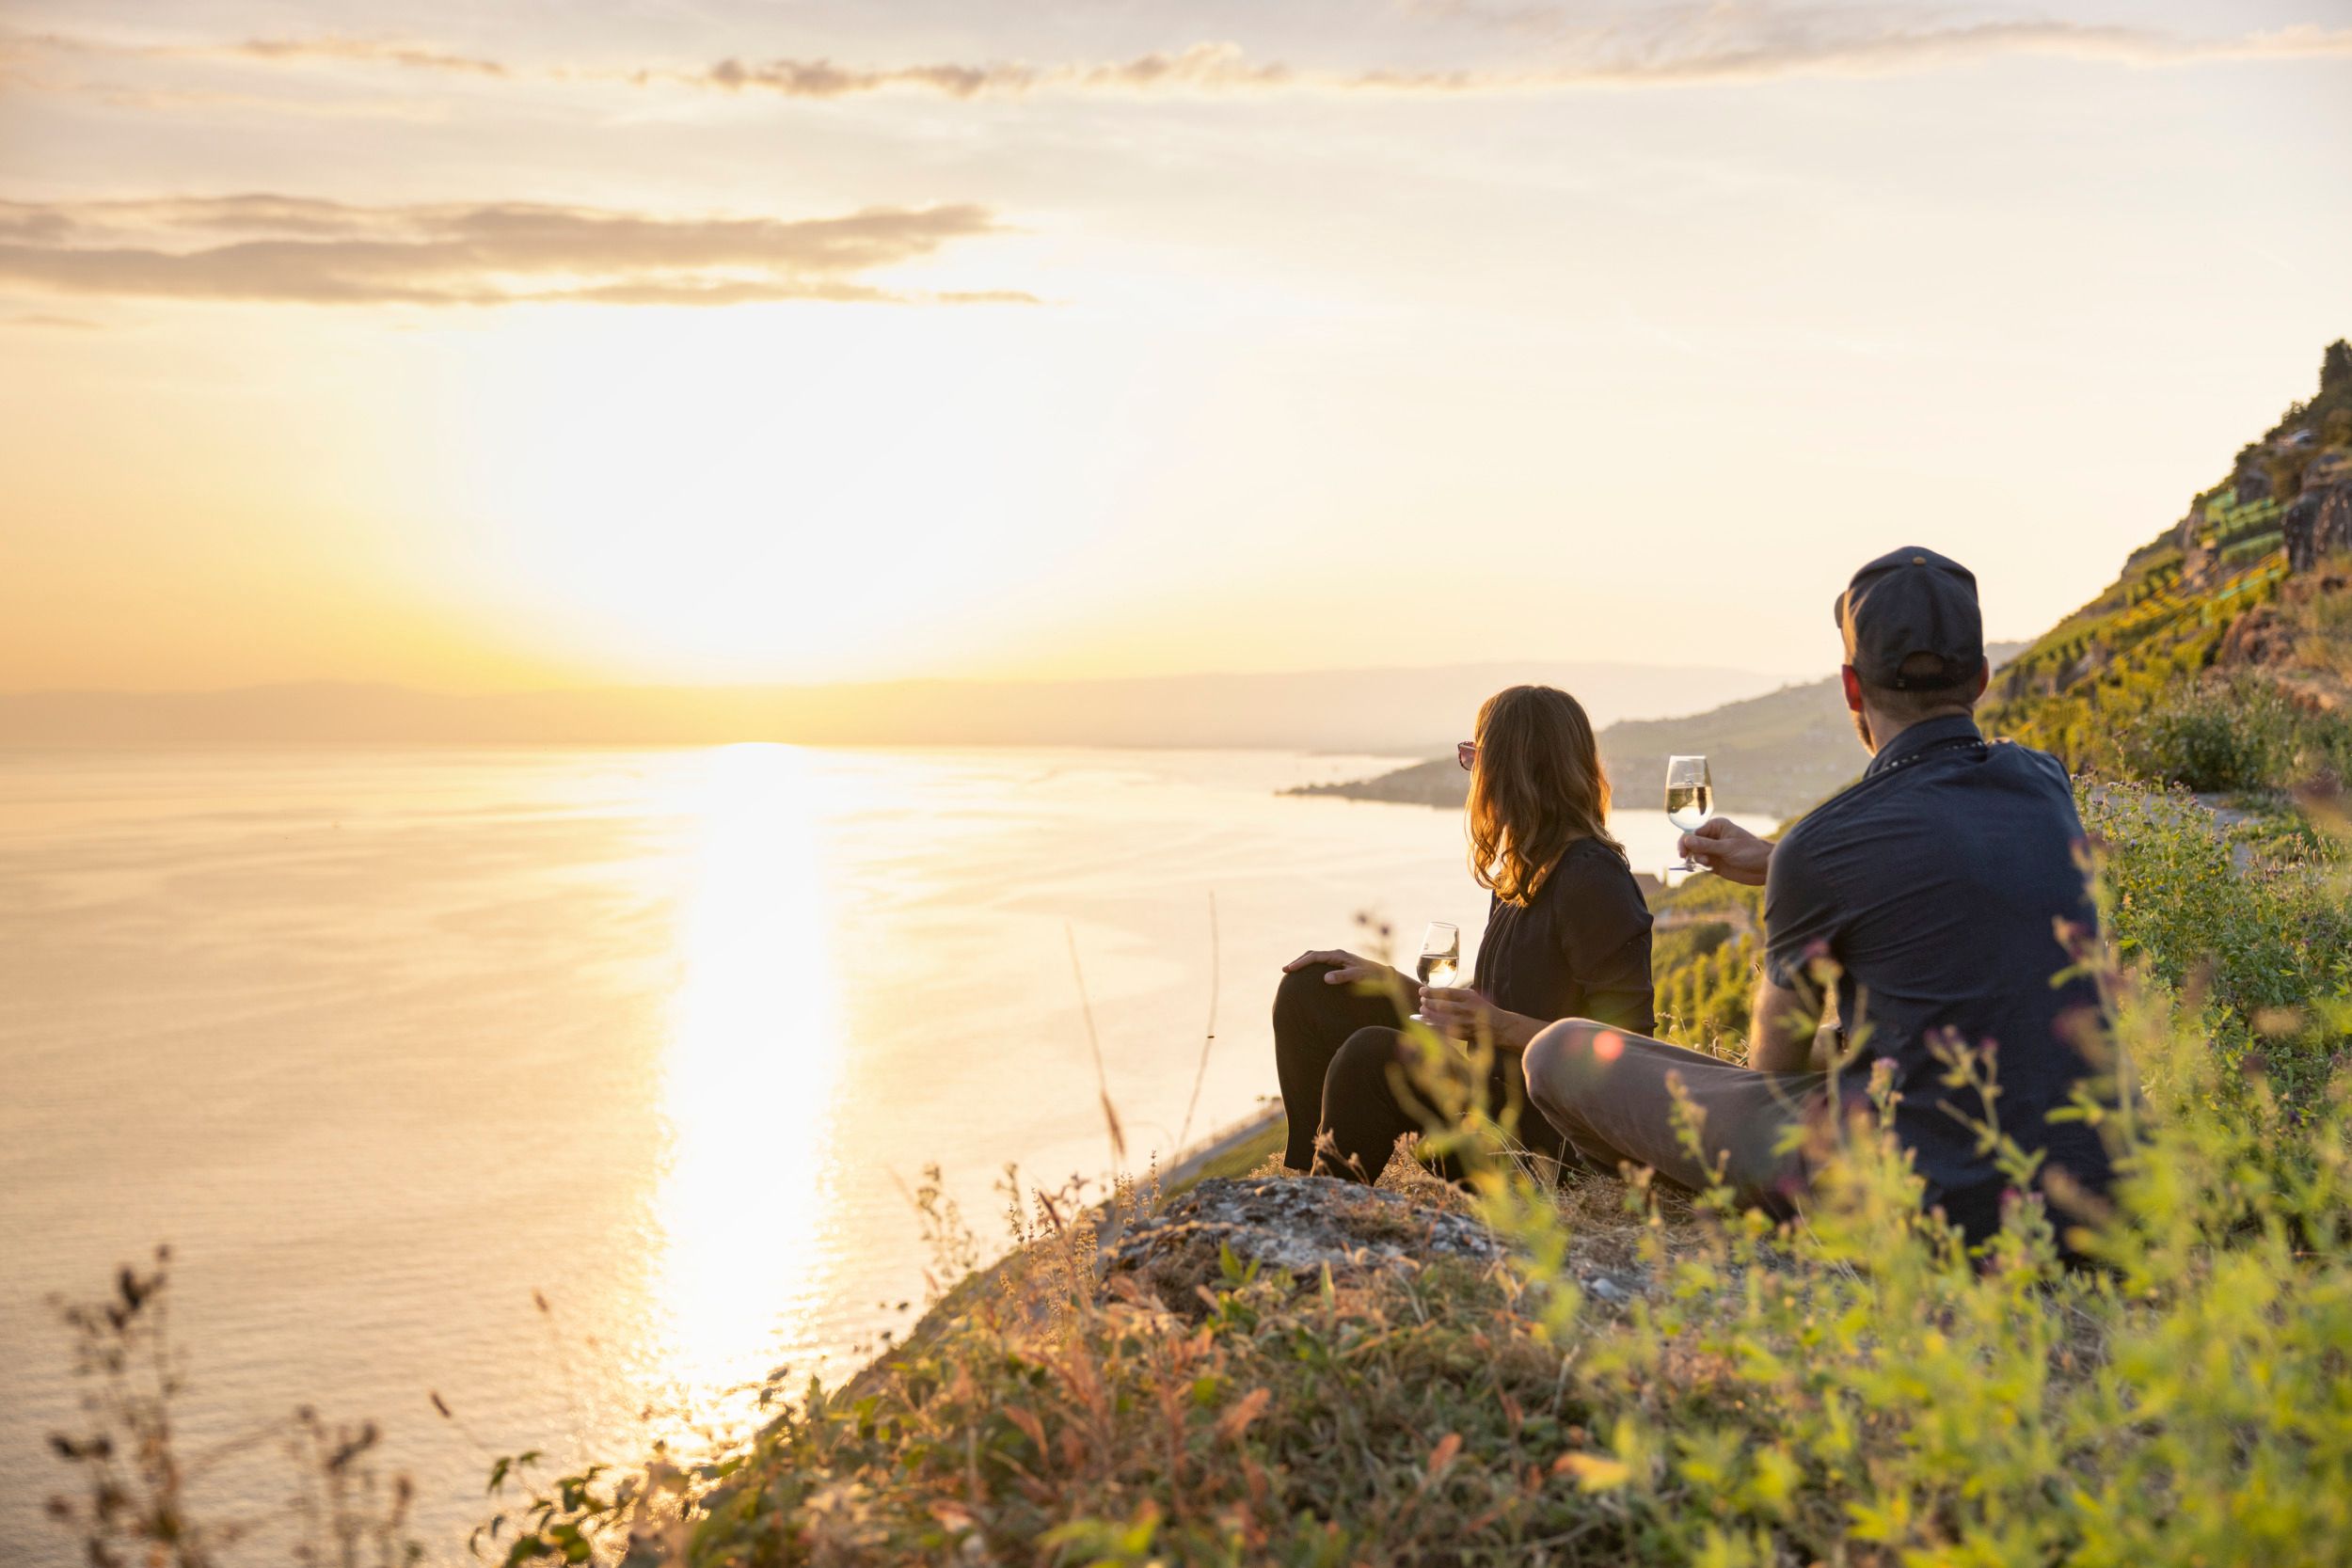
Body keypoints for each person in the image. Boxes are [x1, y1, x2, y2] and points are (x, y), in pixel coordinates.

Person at [1521, 546, 2119, 1256]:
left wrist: (1795, 877)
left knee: (1557, 1049)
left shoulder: (1827, 842)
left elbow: (1772, 1072)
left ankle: (1718, 1214)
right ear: (1983, 678)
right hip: (2090, 1197)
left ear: (1850, 689)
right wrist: (1781, 868)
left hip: (1918, 1205)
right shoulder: (2045, 785)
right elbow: (1952, 881)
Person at [1274, 685, 1655, 1184]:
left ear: (1514, 769)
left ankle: (1323, 1213)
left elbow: (1628, 1050)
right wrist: (1393, 984)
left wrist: (1496, 1026)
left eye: (1476, 756)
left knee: (1372, 1055)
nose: (1472, 773)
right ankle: (1296, 1189)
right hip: (1491, 1097)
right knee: (1314, 988)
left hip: (1554, 1144)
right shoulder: (1523, 870)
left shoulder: (1592, 879)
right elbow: (1499, 1008)